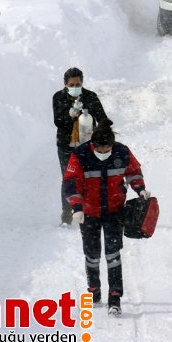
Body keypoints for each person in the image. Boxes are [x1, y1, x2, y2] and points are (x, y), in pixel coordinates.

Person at [62, 120, 151, 316]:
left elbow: (133, 173)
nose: (103, 152)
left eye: (107, 148)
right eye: (100, 149)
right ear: (92, 145)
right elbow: (71, 182)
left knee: (113, 255)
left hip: (114, 212)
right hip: (89, 214)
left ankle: (115, 298)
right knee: (92, 255)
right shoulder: (81, 155)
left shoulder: (122, 152)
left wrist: (140, 189)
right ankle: (94, 292)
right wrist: (76, 207)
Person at [53, 67, 108, 226]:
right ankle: (67, 214)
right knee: (68, 178)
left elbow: (102, 118)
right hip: (66, 145)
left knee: (91, 178)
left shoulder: (90, 97)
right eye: (72, 84)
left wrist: (102, 132)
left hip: (88, 145)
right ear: (65, 84)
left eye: (78, 84)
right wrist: (70, 114)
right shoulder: (58, 97)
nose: (75, 87)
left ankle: (91, 211)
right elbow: (58, 121)